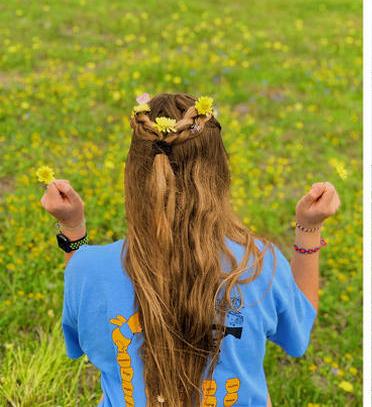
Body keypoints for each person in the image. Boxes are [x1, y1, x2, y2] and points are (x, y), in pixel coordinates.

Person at [40, 93, 340, 406]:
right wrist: (308, 230)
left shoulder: (87, 270)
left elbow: (85, 316)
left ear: (134, 175)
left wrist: (73, 230)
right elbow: (298, 332)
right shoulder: (260, 265)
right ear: (221, 172)